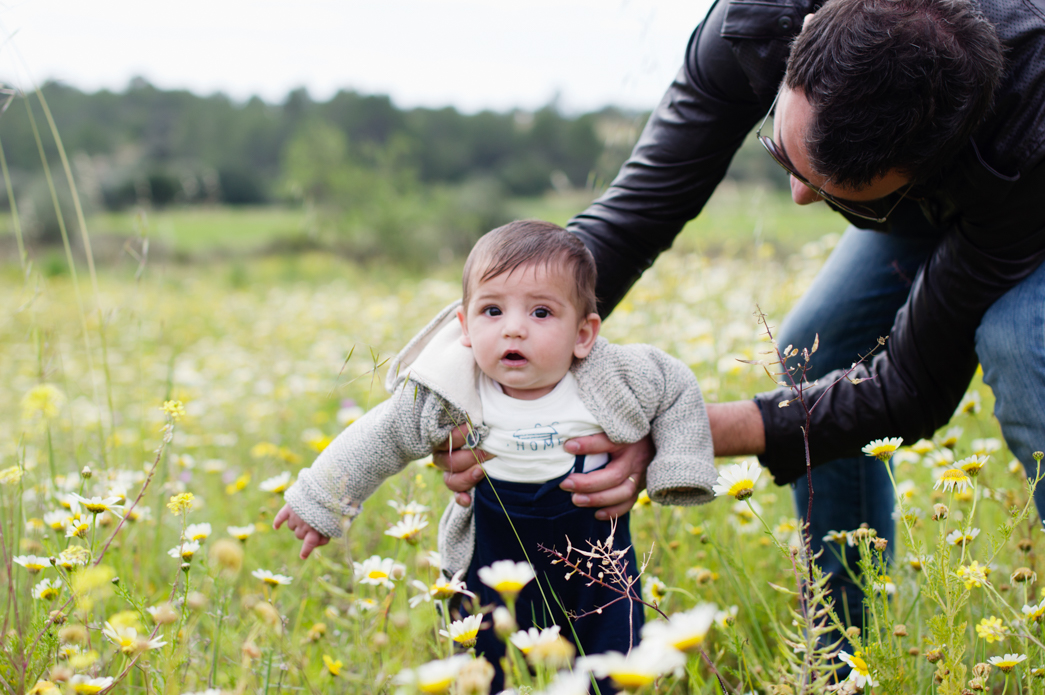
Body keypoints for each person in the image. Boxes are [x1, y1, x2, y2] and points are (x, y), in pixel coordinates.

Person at [438, 0, 1045, 641]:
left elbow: (912, 386)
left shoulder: (1025, 127)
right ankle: (845, 657)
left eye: (839, 194)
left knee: (1023, 345)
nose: (801, 198)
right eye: (785, 157)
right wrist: (455, 378)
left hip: (1022, 183)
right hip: (948, 175)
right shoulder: (755, 23)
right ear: (800, 48)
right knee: (822, 343)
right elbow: (634, 216)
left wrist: (674, 431)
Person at [274, 220, 716, 684]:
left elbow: (675, 386)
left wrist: (677, 466)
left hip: (597, 555)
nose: (514, 330)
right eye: (491, 311)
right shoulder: (451, 392)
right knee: (487, 661)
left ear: (583, 335)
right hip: (491, 548)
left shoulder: (611, 377)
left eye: (541, 313)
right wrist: (320, 500)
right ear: (463, 326)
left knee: (612, 656)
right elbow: (381, 435)